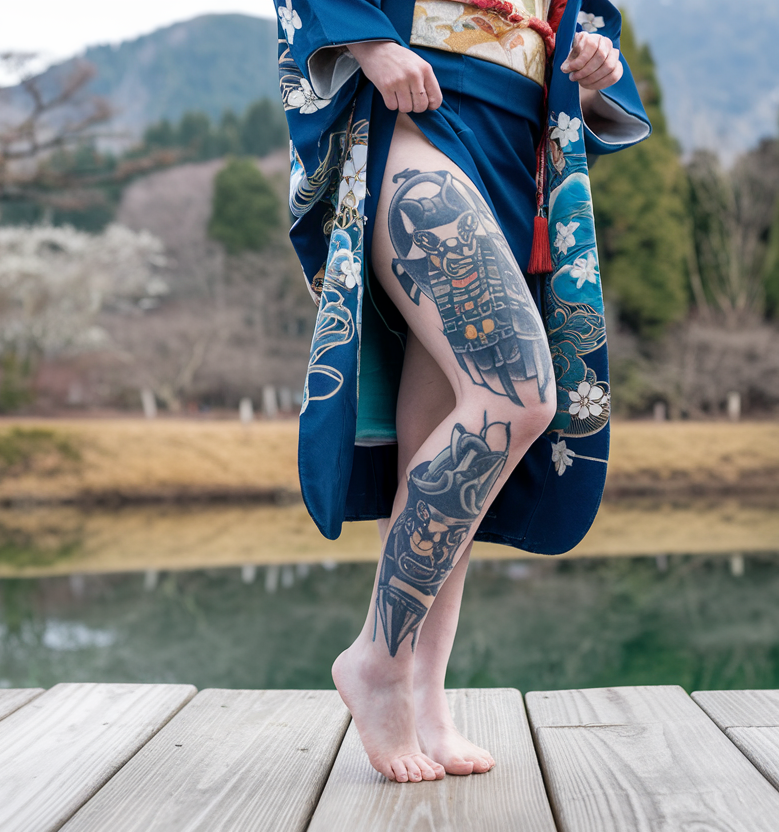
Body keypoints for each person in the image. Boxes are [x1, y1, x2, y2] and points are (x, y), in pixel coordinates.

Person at [277, 0, 650, 782]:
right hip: (413, 106)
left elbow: (580, 21)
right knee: (514, 396)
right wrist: (368, 41)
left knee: (447, 434)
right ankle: (377, 663)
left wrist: (592, 66)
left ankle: (422, 693)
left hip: (516, 139)